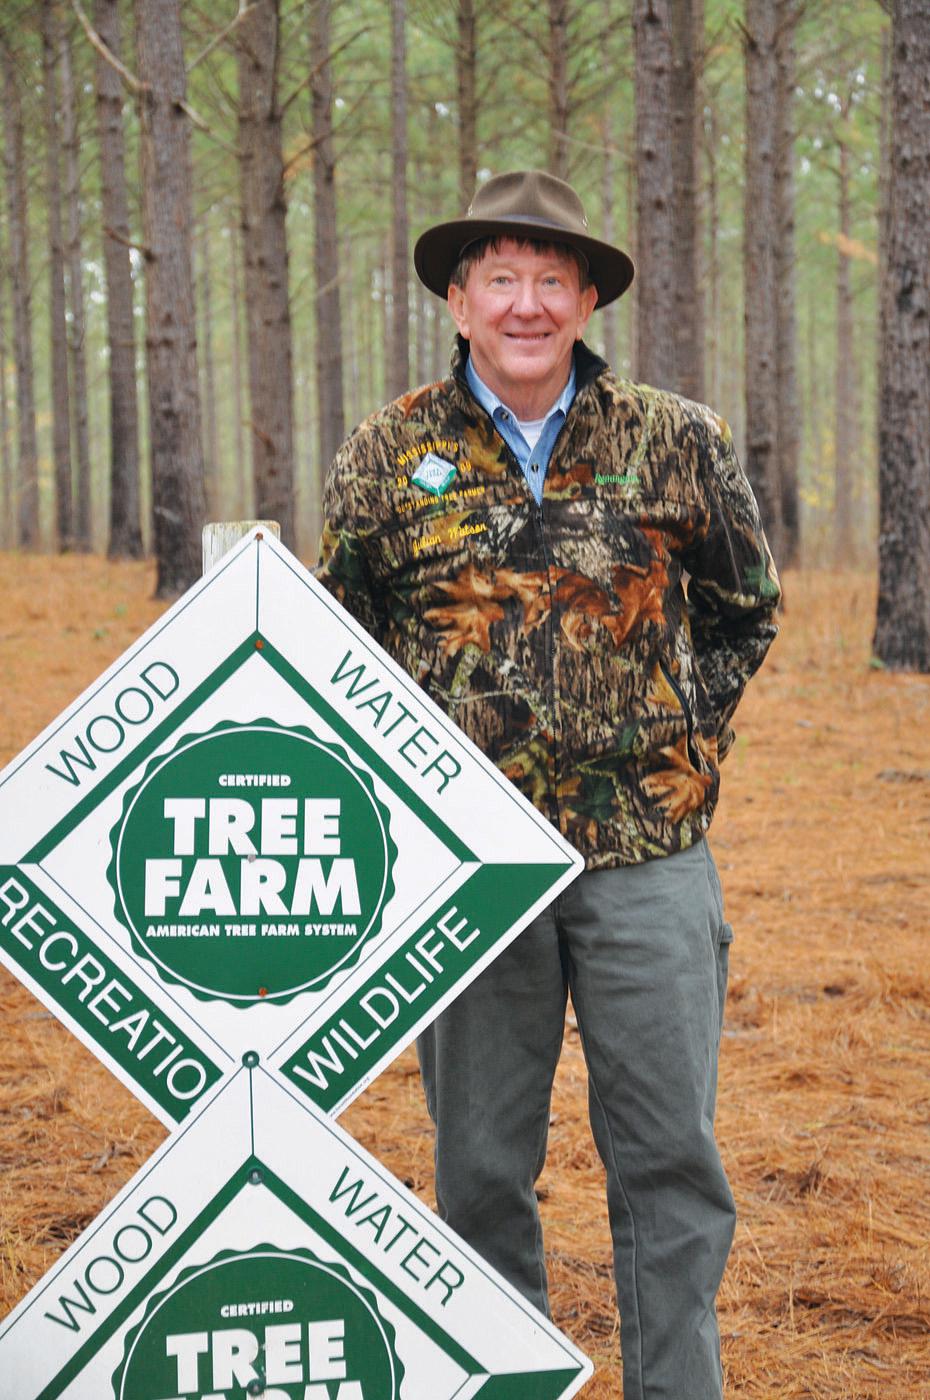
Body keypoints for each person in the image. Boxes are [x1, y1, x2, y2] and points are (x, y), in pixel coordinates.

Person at [316, 169, 780, 1400]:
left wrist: (681, 747)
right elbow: (338, 648)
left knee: (670, 1159)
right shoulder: (387, 454)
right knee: (476, 1167)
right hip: (470, 876)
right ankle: (501, 1377)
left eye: (550, 281)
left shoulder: (676, 441)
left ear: (584, 300)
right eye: (500, 279)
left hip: (648, 864)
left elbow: (745, 610)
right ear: (460, 300)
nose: (526, 303)